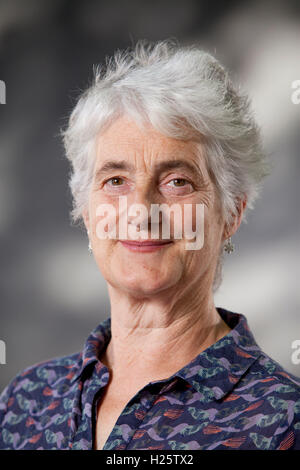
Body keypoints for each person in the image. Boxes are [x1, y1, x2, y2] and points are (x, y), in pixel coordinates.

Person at [0, 40, 299, 451]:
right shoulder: (26, 402)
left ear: (231, 213)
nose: (140, 211)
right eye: (115, 181)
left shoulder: (284, 421)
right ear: (86, 212)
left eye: (177, 181)